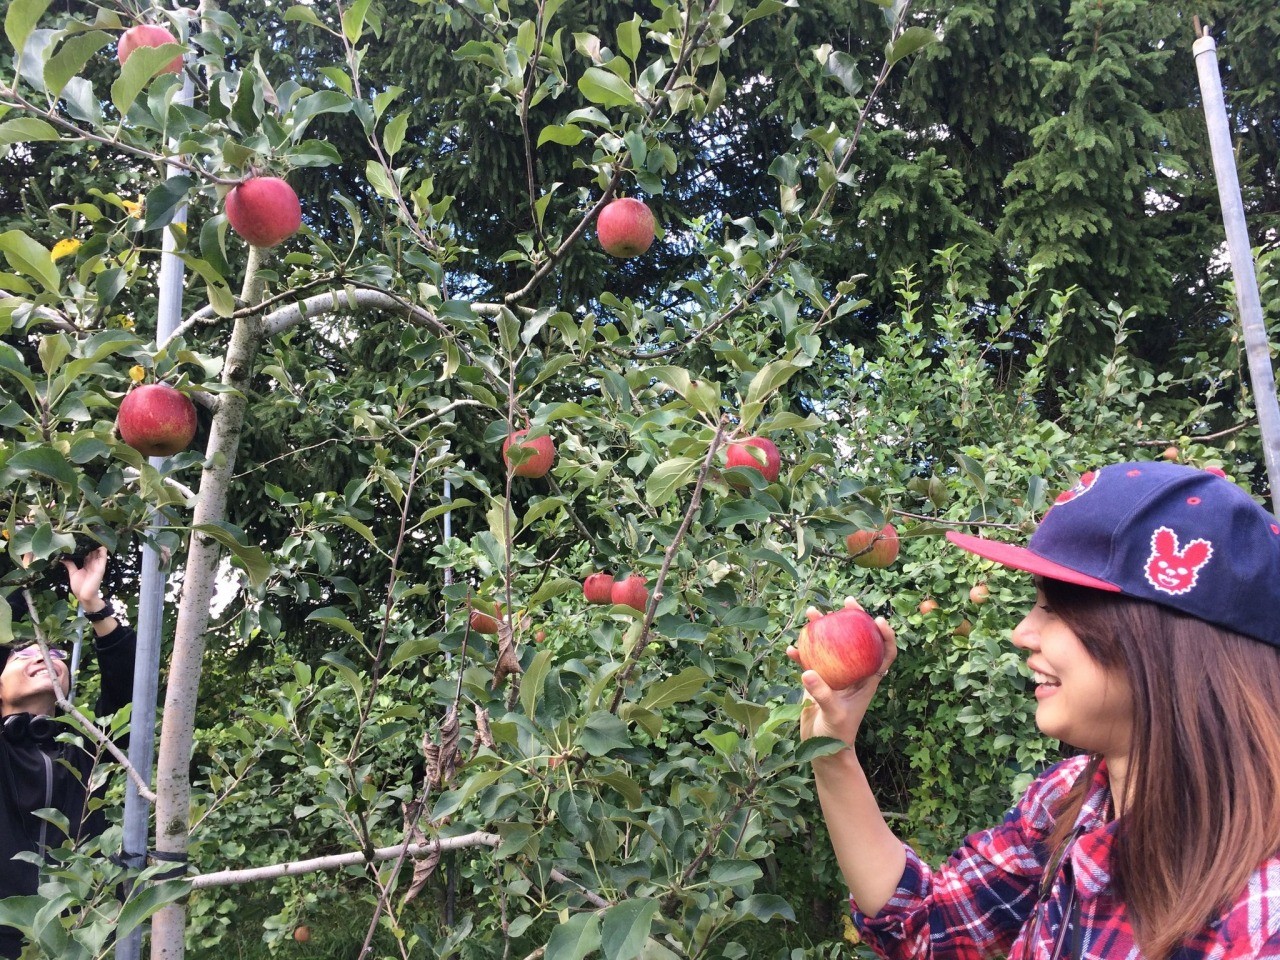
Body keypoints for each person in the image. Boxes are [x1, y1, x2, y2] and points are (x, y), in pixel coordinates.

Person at [791, 461, 1280, 960]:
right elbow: (929, 929)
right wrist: (833, 750)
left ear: (1163, 639)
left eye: (1051, 607)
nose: (1021, 632)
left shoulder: (1259, 925)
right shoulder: (1069, 799)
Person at [1, 547, 136, 960]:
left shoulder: (83, 753)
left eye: (56, 656)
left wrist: (93, 604)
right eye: (24, 655)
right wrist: (19, 571)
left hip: (81, 937)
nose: (46, 658)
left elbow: (131, 690)